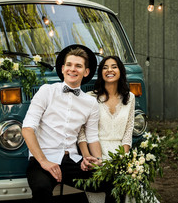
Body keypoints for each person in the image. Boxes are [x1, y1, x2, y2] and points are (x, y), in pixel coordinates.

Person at [22, 44, 116, 203]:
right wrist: (44, 161)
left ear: (86, 72)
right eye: (69, 65)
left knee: (113, 182)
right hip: (42, 160)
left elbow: (92, 136)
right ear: (63, 68)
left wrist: (98, 160)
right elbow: (27, 129)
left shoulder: (90, 103)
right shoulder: (46, 91)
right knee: (41, 189)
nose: (73, 69)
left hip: (72, 161)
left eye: (78, 66)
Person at [78, 56, 135, 203]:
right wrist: (88, 157)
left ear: (120, 71)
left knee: (122, 187)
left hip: (120, 153)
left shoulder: (130, 98)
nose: (109, 70)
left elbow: (129, 131)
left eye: (114, 66)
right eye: (105, 67)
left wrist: (124, 160)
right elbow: (82, 132)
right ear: (101, 73)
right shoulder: (91, 98)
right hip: (97, 152)